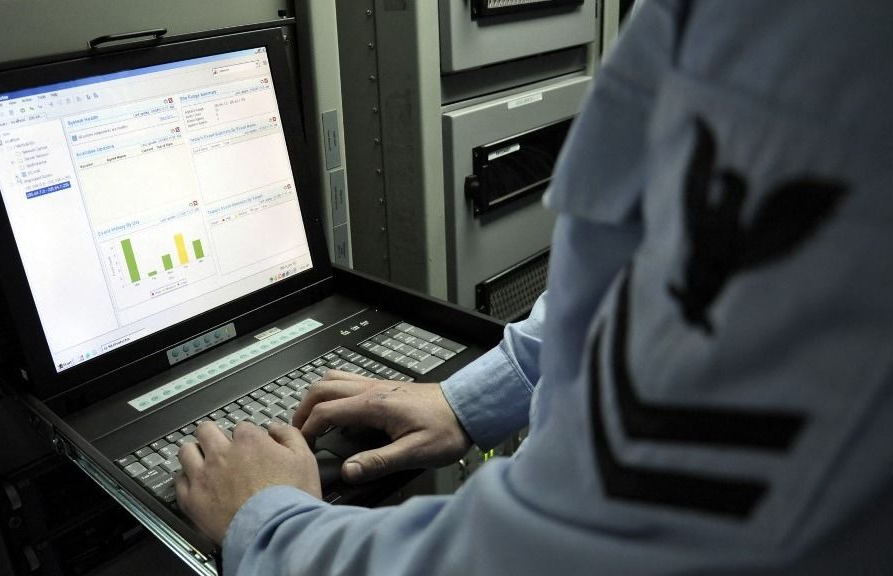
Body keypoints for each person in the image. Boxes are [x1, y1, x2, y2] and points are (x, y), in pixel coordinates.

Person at [176, 1, 893, 574]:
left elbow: (593, 547)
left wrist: (269, 526)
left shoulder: (816, 33)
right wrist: (481, 392)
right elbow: (657, 270)